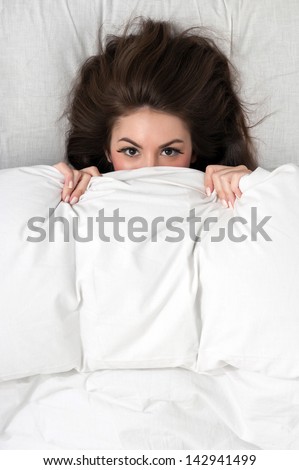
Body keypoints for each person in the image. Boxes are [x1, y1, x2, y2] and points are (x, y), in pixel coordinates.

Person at [54, 17, 260, 209]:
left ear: (194, 150)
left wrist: (256, 188)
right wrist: (56, 184)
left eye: (169, 151)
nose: (149, 170)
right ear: (107, 150)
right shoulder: (75, 200)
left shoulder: (236, 200)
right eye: (131, 151)